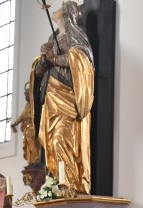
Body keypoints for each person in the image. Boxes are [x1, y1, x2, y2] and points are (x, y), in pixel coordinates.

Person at [29, 0, 95, 193]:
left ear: (67, 14)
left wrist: (54, 58)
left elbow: (82, 59)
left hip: (66, 96)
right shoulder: (53, 37)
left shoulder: (75, 35)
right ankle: (56, 183)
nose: (55, 10)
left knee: (61, 140)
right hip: (50, 97)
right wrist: (42, 62)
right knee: (49, 141)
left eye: (59, 8)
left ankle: (70, 184)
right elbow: (43, 68)